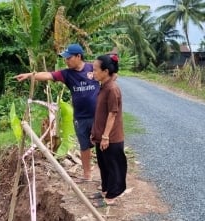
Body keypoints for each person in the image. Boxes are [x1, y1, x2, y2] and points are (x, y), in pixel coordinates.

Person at [15, 43, 100, 182]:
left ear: (79, 56)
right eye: (65, 58)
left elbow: (109, 74)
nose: (66, 61)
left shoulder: (93, 68)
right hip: (80, 116)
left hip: (98, 115)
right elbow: (48, 75)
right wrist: (30, 75)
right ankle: (87, 175)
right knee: (85, 146)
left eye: (69, 58)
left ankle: (108, 177)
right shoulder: (66, 74)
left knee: (102, 145)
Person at [90, 54, 127, 207]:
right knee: (103, 165)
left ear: (105, 71)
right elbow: (100, 113)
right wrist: (95, 132)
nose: (93, 73)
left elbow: (112, 113)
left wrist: (105, 136)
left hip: (111, 137)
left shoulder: (112, 89)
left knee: (113, 167)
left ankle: (112, 196)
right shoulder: (103, 86)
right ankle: (105, 190)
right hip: (101, 136)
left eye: (96, 70)